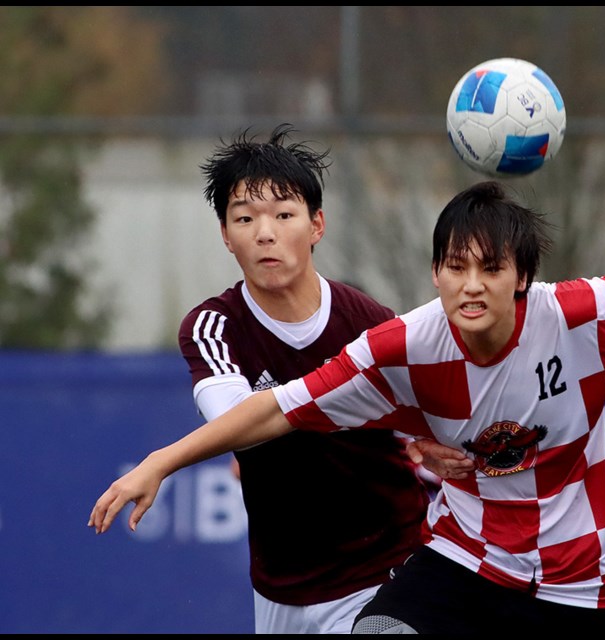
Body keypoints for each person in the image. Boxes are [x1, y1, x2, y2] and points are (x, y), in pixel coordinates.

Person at [90, 180, 605, 634]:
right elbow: (274, 411)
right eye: (452, 267)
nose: (469, 285)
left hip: (574, 581)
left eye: (489, 268)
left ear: (521, 277)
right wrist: (161, 460)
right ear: (434, 274)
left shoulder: (577, 316)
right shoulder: (403, 344)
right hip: (464, 558)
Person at [168, 124, 473, 634]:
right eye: (245, 218)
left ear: (316, 225)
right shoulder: (213, 327)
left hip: (385, 570)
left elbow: (431, 416)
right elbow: (241, 423)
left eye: (285, 215)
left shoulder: (372, 324)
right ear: (226, 234)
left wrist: (428, 439)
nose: (265, 233)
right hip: (281, 587)